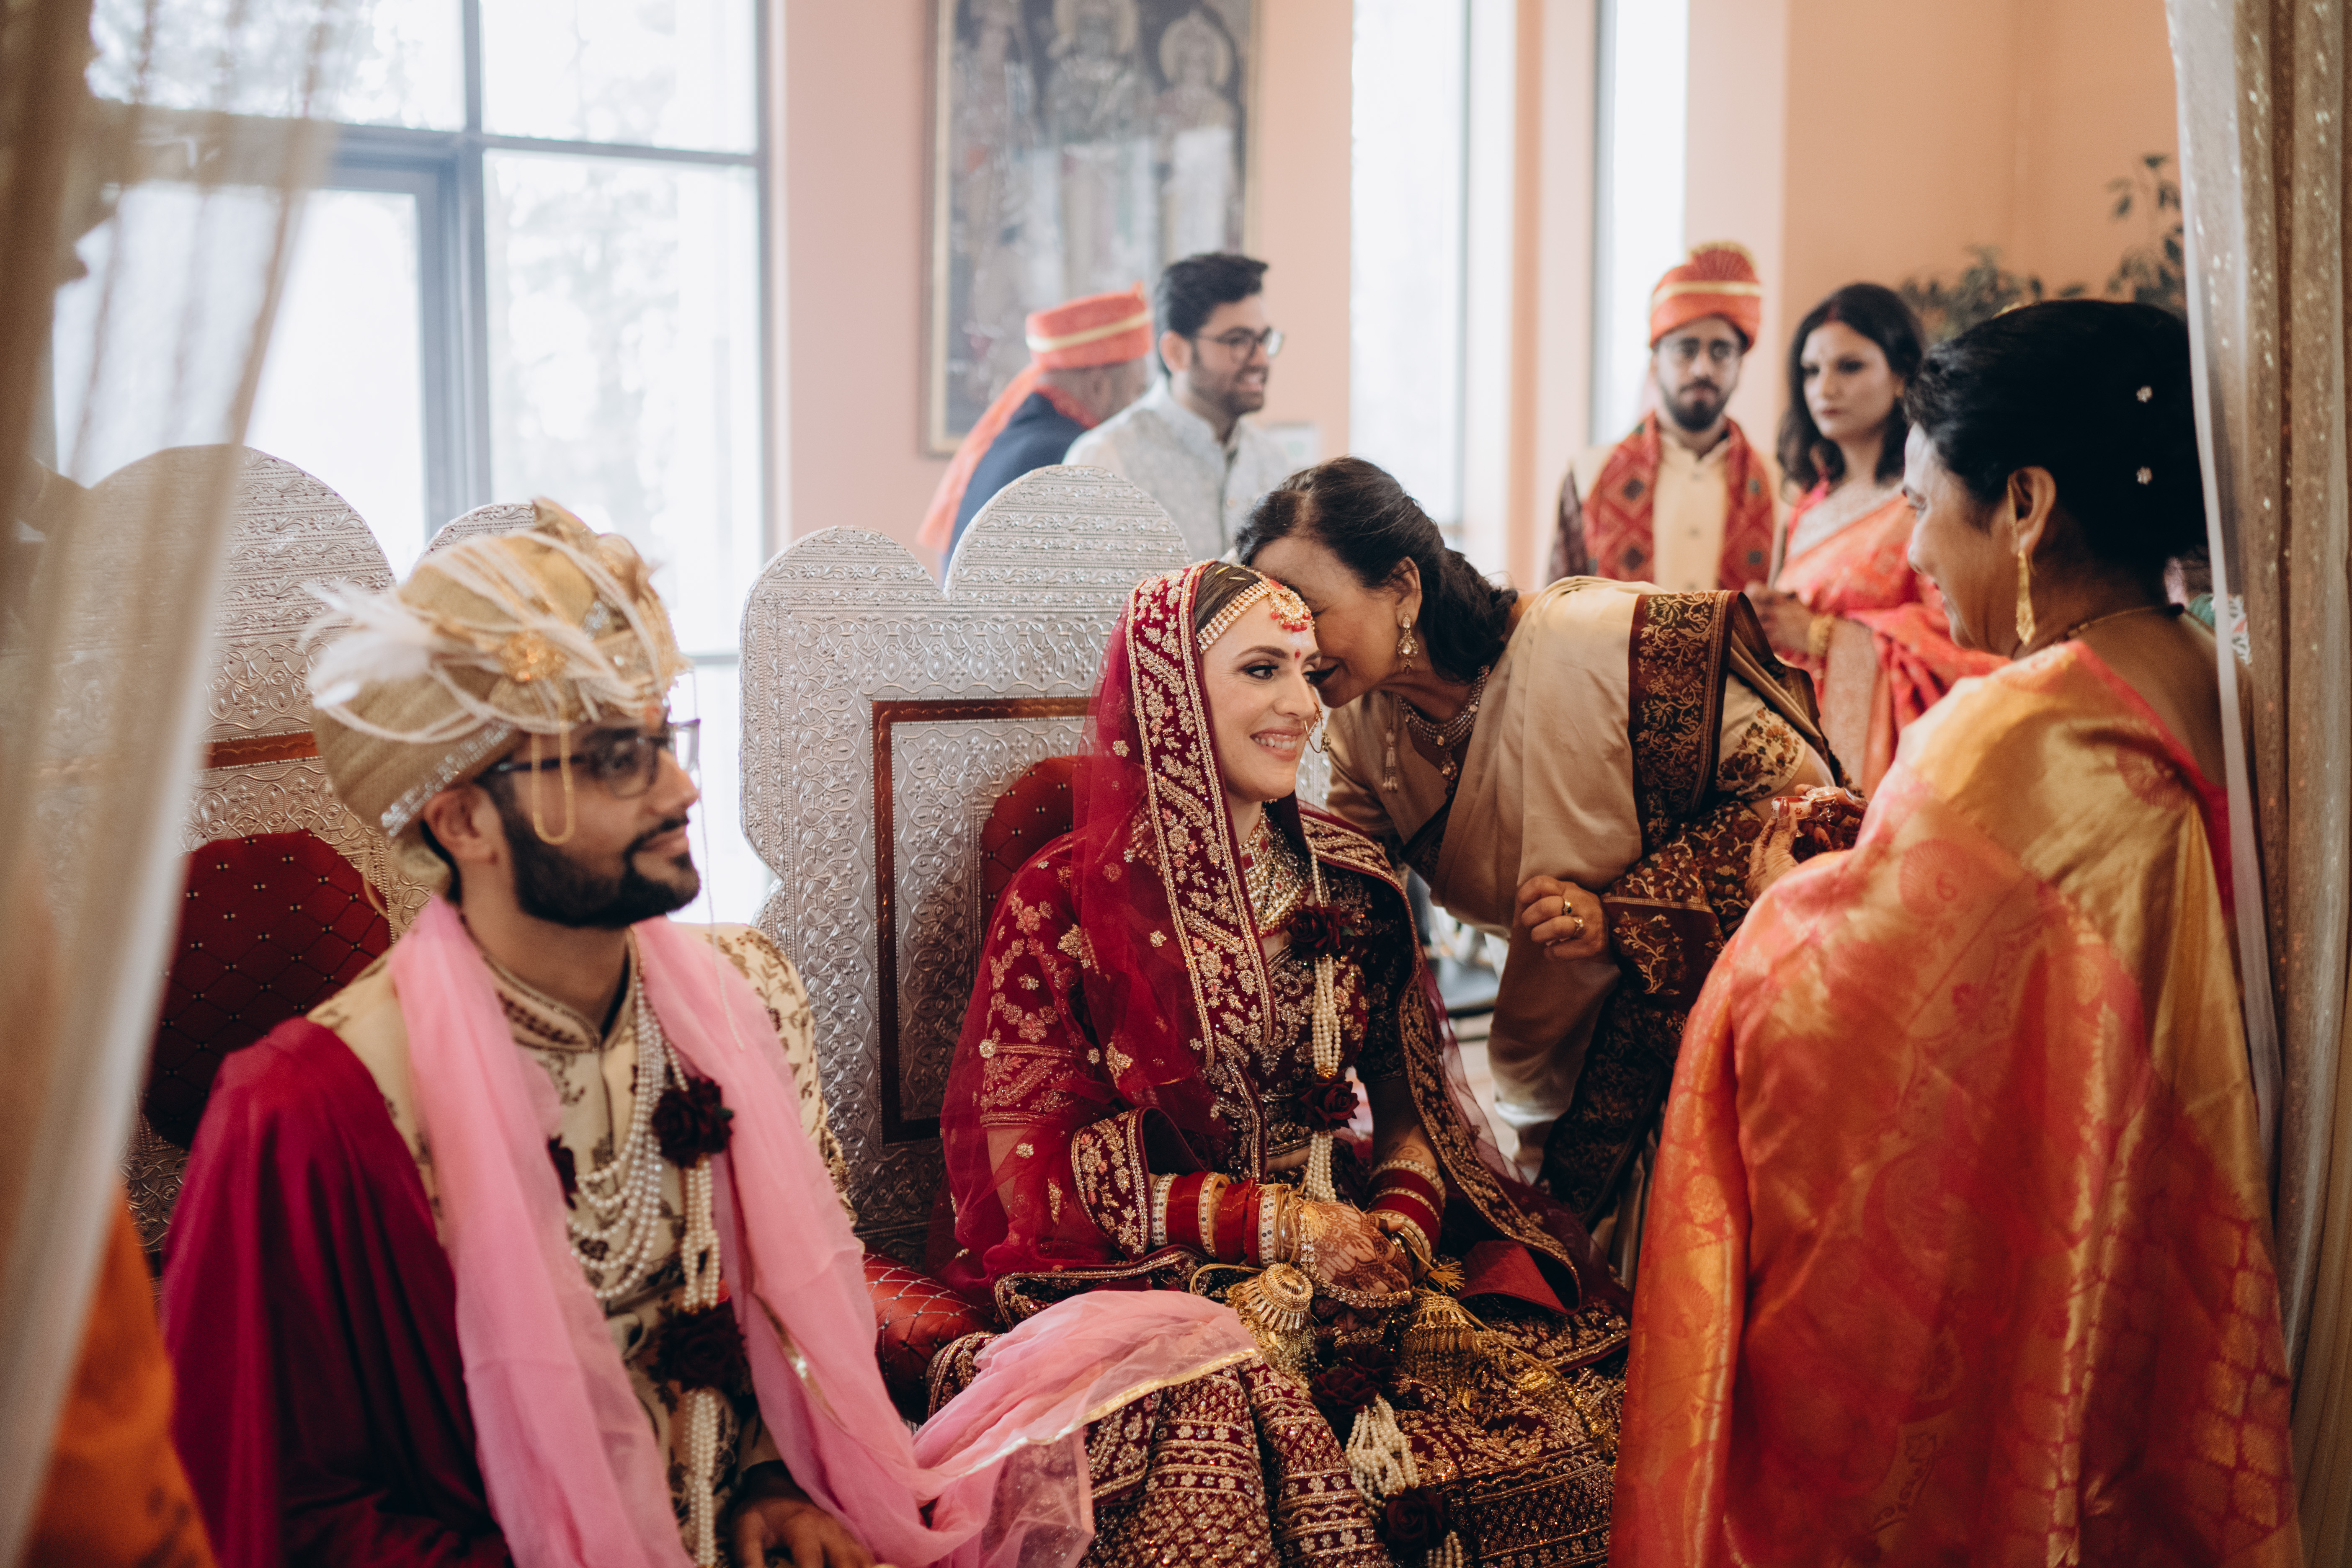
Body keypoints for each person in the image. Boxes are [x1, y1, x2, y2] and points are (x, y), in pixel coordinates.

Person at [161, 503, 1252, 1568]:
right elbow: (278, 1514)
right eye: (614, 759)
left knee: (1197, 1392)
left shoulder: (741, 999)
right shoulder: (310, 1112)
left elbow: (789, 1305)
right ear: (464, 819)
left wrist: (775, 1477)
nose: (680, 787)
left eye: (663, 738)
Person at [1613, 301, 2299, 1564]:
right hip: (2190, 1243)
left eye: (1927, 505)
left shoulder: (2010, 735)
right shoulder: (2218, 678)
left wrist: (1778, 900)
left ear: (2025, 503)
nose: (1917, 549)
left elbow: (1833, 1040)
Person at [932, 561, 1632, 1565]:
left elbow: (1414, 1112)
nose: (1303, 705)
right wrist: (1277, 1225)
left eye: (1307, 671)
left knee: (1568, 1458)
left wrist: (1397, 1227)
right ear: (1170, 692)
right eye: (1262, 670)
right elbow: (1025, 1179)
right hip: (1147, 1290)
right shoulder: (1062, 902)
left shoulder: (1352, 883)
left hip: (1358, 1261)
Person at [1240, 459, 1839, 1282]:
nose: (1297, 644)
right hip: (1560, 1070)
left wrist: (1623, 918)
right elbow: (1352, 908)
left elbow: (1810, 806)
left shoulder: (1595, 642)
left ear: (1403, 586)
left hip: (1726, 1044)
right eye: (1277, 621)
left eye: (1309, 611)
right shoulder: (1362, 734)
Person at [1745, 283, 2003, 791]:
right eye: (1811, 371)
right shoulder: (1809, 506)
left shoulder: (1929, 500)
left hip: (1891, 768)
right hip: (1798, 748)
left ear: (1902, 373)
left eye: (1850, 367)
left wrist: (1820, 635)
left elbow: (1966, 642)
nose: (1824, 388)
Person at [1550, 242, 1782, 593]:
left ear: (1740, 366)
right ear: (1656, 363)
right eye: (1686, 349)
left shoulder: (1780, 485)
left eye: (1721, 351)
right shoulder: (1588, 475)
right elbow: (1554, 609)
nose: (1703, 368)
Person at [1065, 252, 1294, 559]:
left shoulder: (1272, 462)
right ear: (1175, 351)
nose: (1261, 359)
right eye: (1238, 341)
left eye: (1263, 339)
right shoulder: (1104, 462)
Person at [918, 284, 1155, 562]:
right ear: (1098, 386)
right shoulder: (1070, 455)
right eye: (1137, 392)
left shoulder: (1012, 438)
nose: (1141, 410)